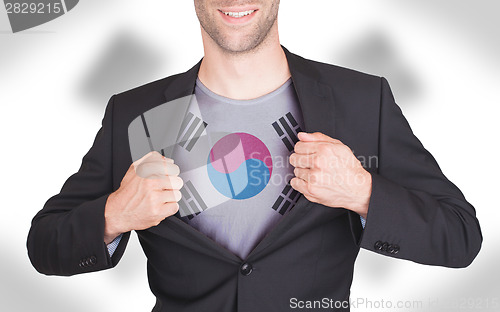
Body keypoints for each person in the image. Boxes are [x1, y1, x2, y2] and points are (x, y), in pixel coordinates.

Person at [27, 1, 482, 311]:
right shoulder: (137, 114)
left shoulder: (361, 100)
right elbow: (44, 245)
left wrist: (363, 191)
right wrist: (114, 214)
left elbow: (460, 236)